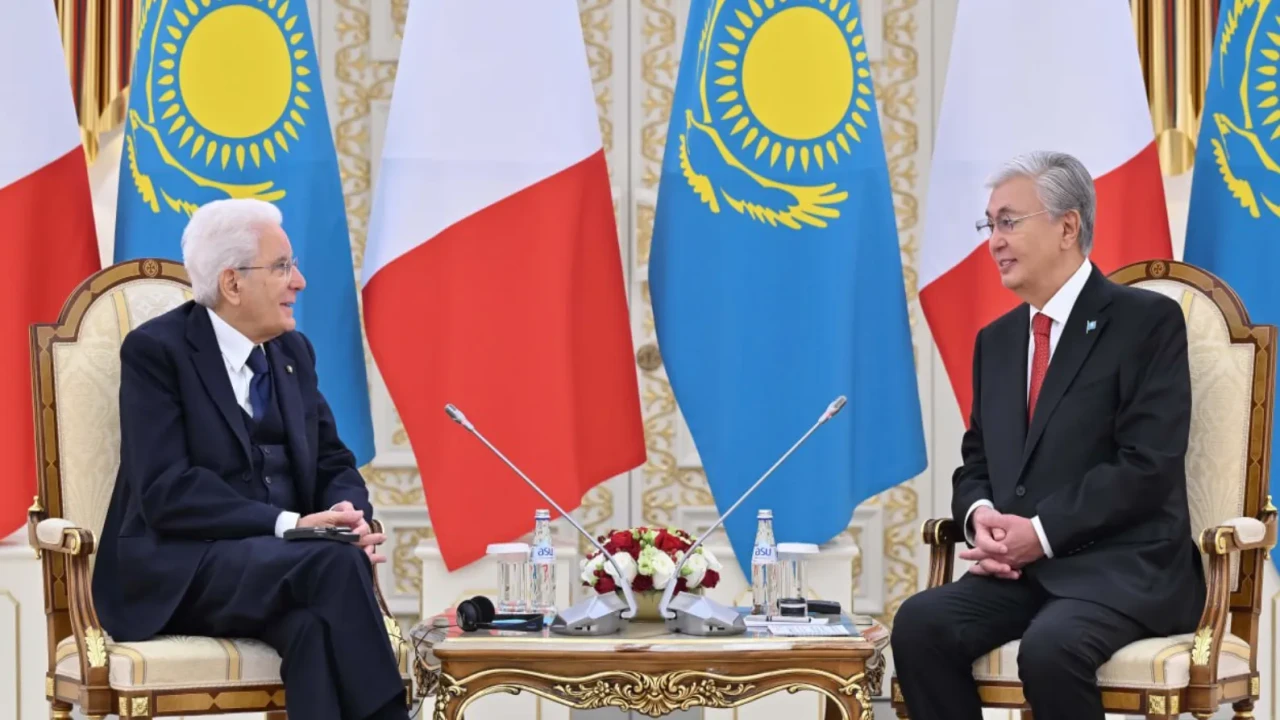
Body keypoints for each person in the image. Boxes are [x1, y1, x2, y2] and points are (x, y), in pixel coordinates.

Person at [891, 151, 1204, 720]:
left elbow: (1147, 465)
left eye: (1009, 222)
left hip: (1120, 570)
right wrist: (981, 516)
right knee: (919, 625)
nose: (994, 241)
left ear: (1067, 227)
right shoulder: (997, 341)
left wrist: (1040, 532)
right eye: (989, 225)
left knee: (1051, 649)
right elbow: (977, 460)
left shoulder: (1146, 323)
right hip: (1021, 574)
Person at [93, 198, 407, 720]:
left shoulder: (293, 352)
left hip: (279, 568)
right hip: (184, 569)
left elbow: (333, 460)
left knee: (312, 627)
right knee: (333, 562)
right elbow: (167, 491)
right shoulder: (156, 353)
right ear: (232, 284)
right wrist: (292, 525)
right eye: (282, 267)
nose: (299, 282)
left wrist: (347, 515)